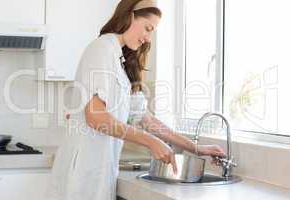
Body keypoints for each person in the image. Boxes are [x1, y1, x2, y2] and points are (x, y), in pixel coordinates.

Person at [47, 0, 226, 200]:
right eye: (148, 29)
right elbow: (96, 118)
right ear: (130, 15)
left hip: (99, 171)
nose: (148, 39)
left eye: (152, 32)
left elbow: (147, 121)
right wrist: (151, 142)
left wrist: (196, 148)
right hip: (82, 172)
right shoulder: (102, 48)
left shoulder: (121, 61)